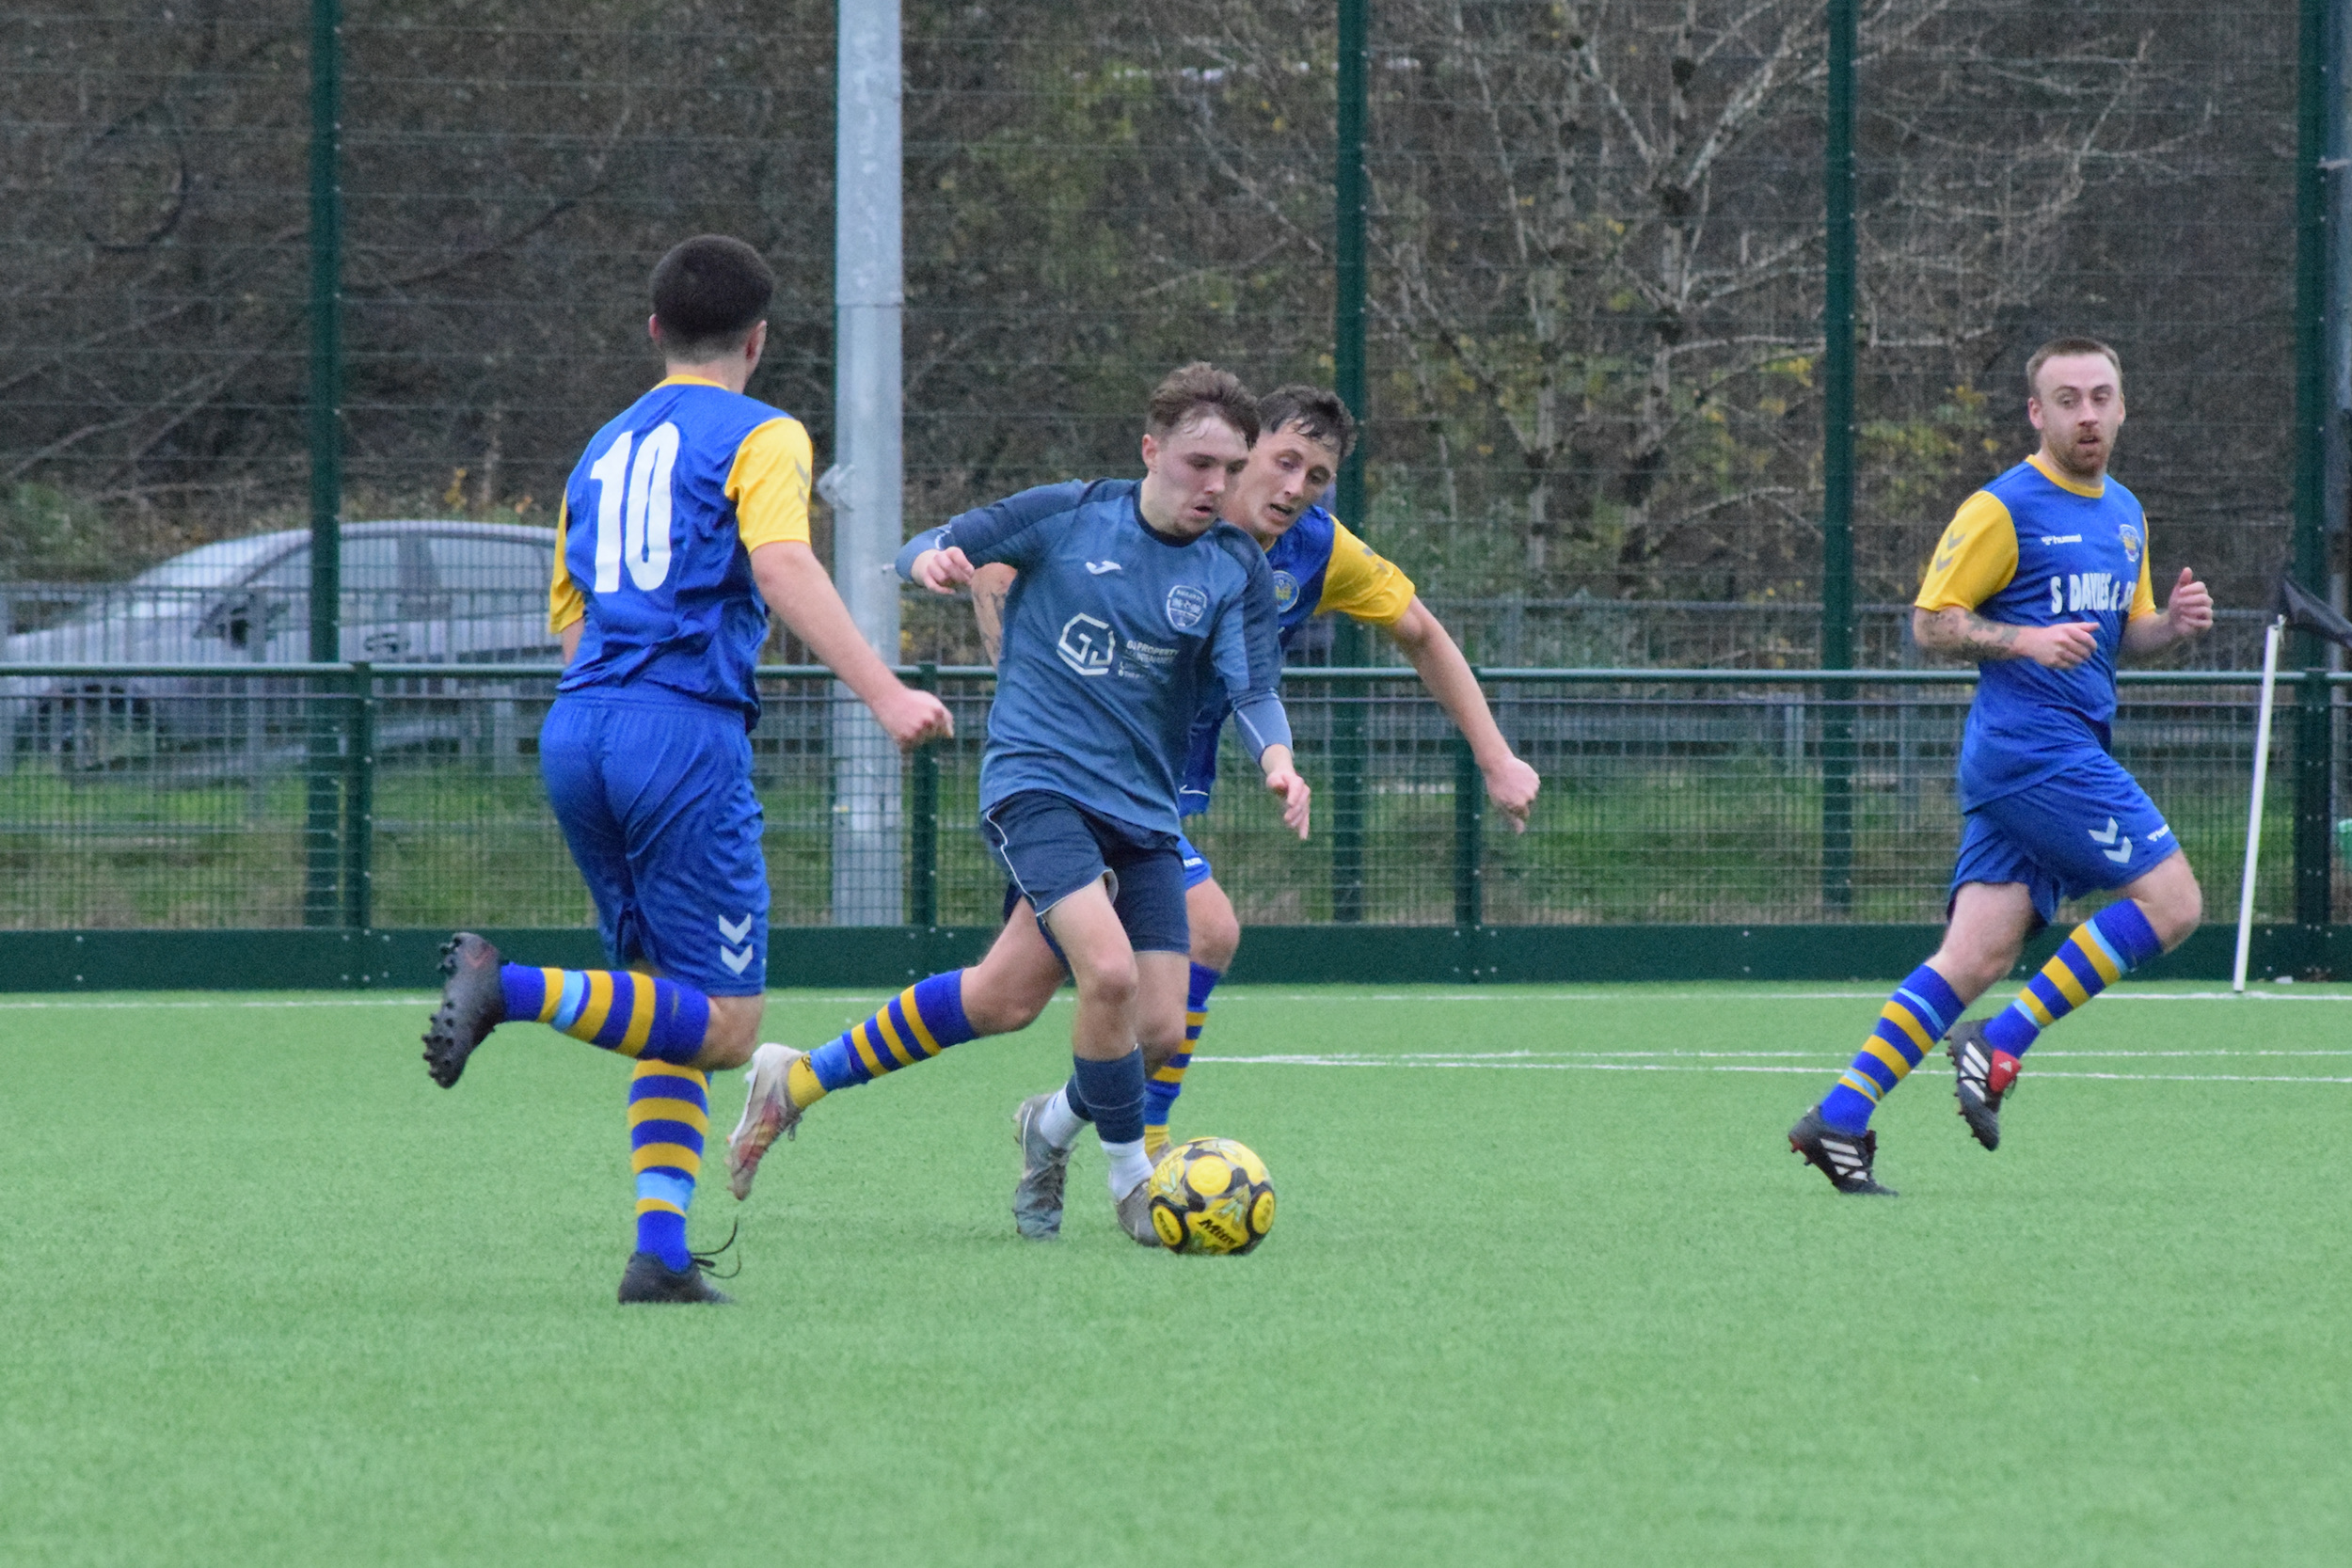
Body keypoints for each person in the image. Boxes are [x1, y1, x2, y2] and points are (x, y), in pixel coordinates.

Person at [419, 234, 952, 1301]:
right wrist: (886, 692)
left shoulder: (599, 450)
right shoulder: (764, 432)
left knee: (665, 1000)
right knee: (729, 1025)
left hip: (580, 725)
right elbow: (782, 562)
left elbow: (567, 621)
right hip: (680, 731)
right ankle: (505, 985)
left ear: (654, 329)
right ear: (758, 341)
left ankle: (659, 1250)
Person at [724, 363, 1311, 1243]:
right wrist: (932, 558)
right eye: (1199, 464)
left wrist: (1279, 758)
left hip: (1142, 815)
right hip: (1037, 784)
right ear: (1151, 451)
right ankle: (1129, 1182)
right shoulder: (1070, 513)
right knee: (1106, 973)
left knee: (1108, 1018)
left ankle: (808, 1082)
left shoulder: (1234, 567)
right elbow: (934, 539)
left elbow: (1254, 685)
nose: (1216, 486)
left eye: (1230, 469)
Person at [962, 384, 1542, 1156]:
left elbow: (1422, 632)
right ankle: (1132, 1145)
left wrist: (1496, 756)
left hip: (1153, 792)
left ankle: (1052, 1120)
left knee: (1014, 995)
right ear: (1243, 456)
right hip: (1074, 779)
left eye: (1317, 476)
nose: (1296, 488)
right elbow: (992, 564)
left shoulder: (1319, 550)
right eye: (1284, 462)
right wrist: (1032, 686)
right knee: (1192, 939)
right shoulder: (1149, 517)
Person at [1788, 336, 2212, 1196]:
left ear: (2123, 406)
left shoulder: (2125, 512)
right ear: (2036, 412)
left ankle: (1839, 1115)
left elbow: (2117, 638)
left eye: (2101, 396)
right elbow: (1931, 621)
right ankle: (2002, 1040)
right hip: (2032, 753)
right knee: (2174, 902)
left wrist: (2171, 626)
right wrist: (2022, 637)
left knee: (1974, 955)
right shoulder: (2002, 507)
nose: (2086, 414)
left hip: (2057, 752)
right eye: (2067, 399)